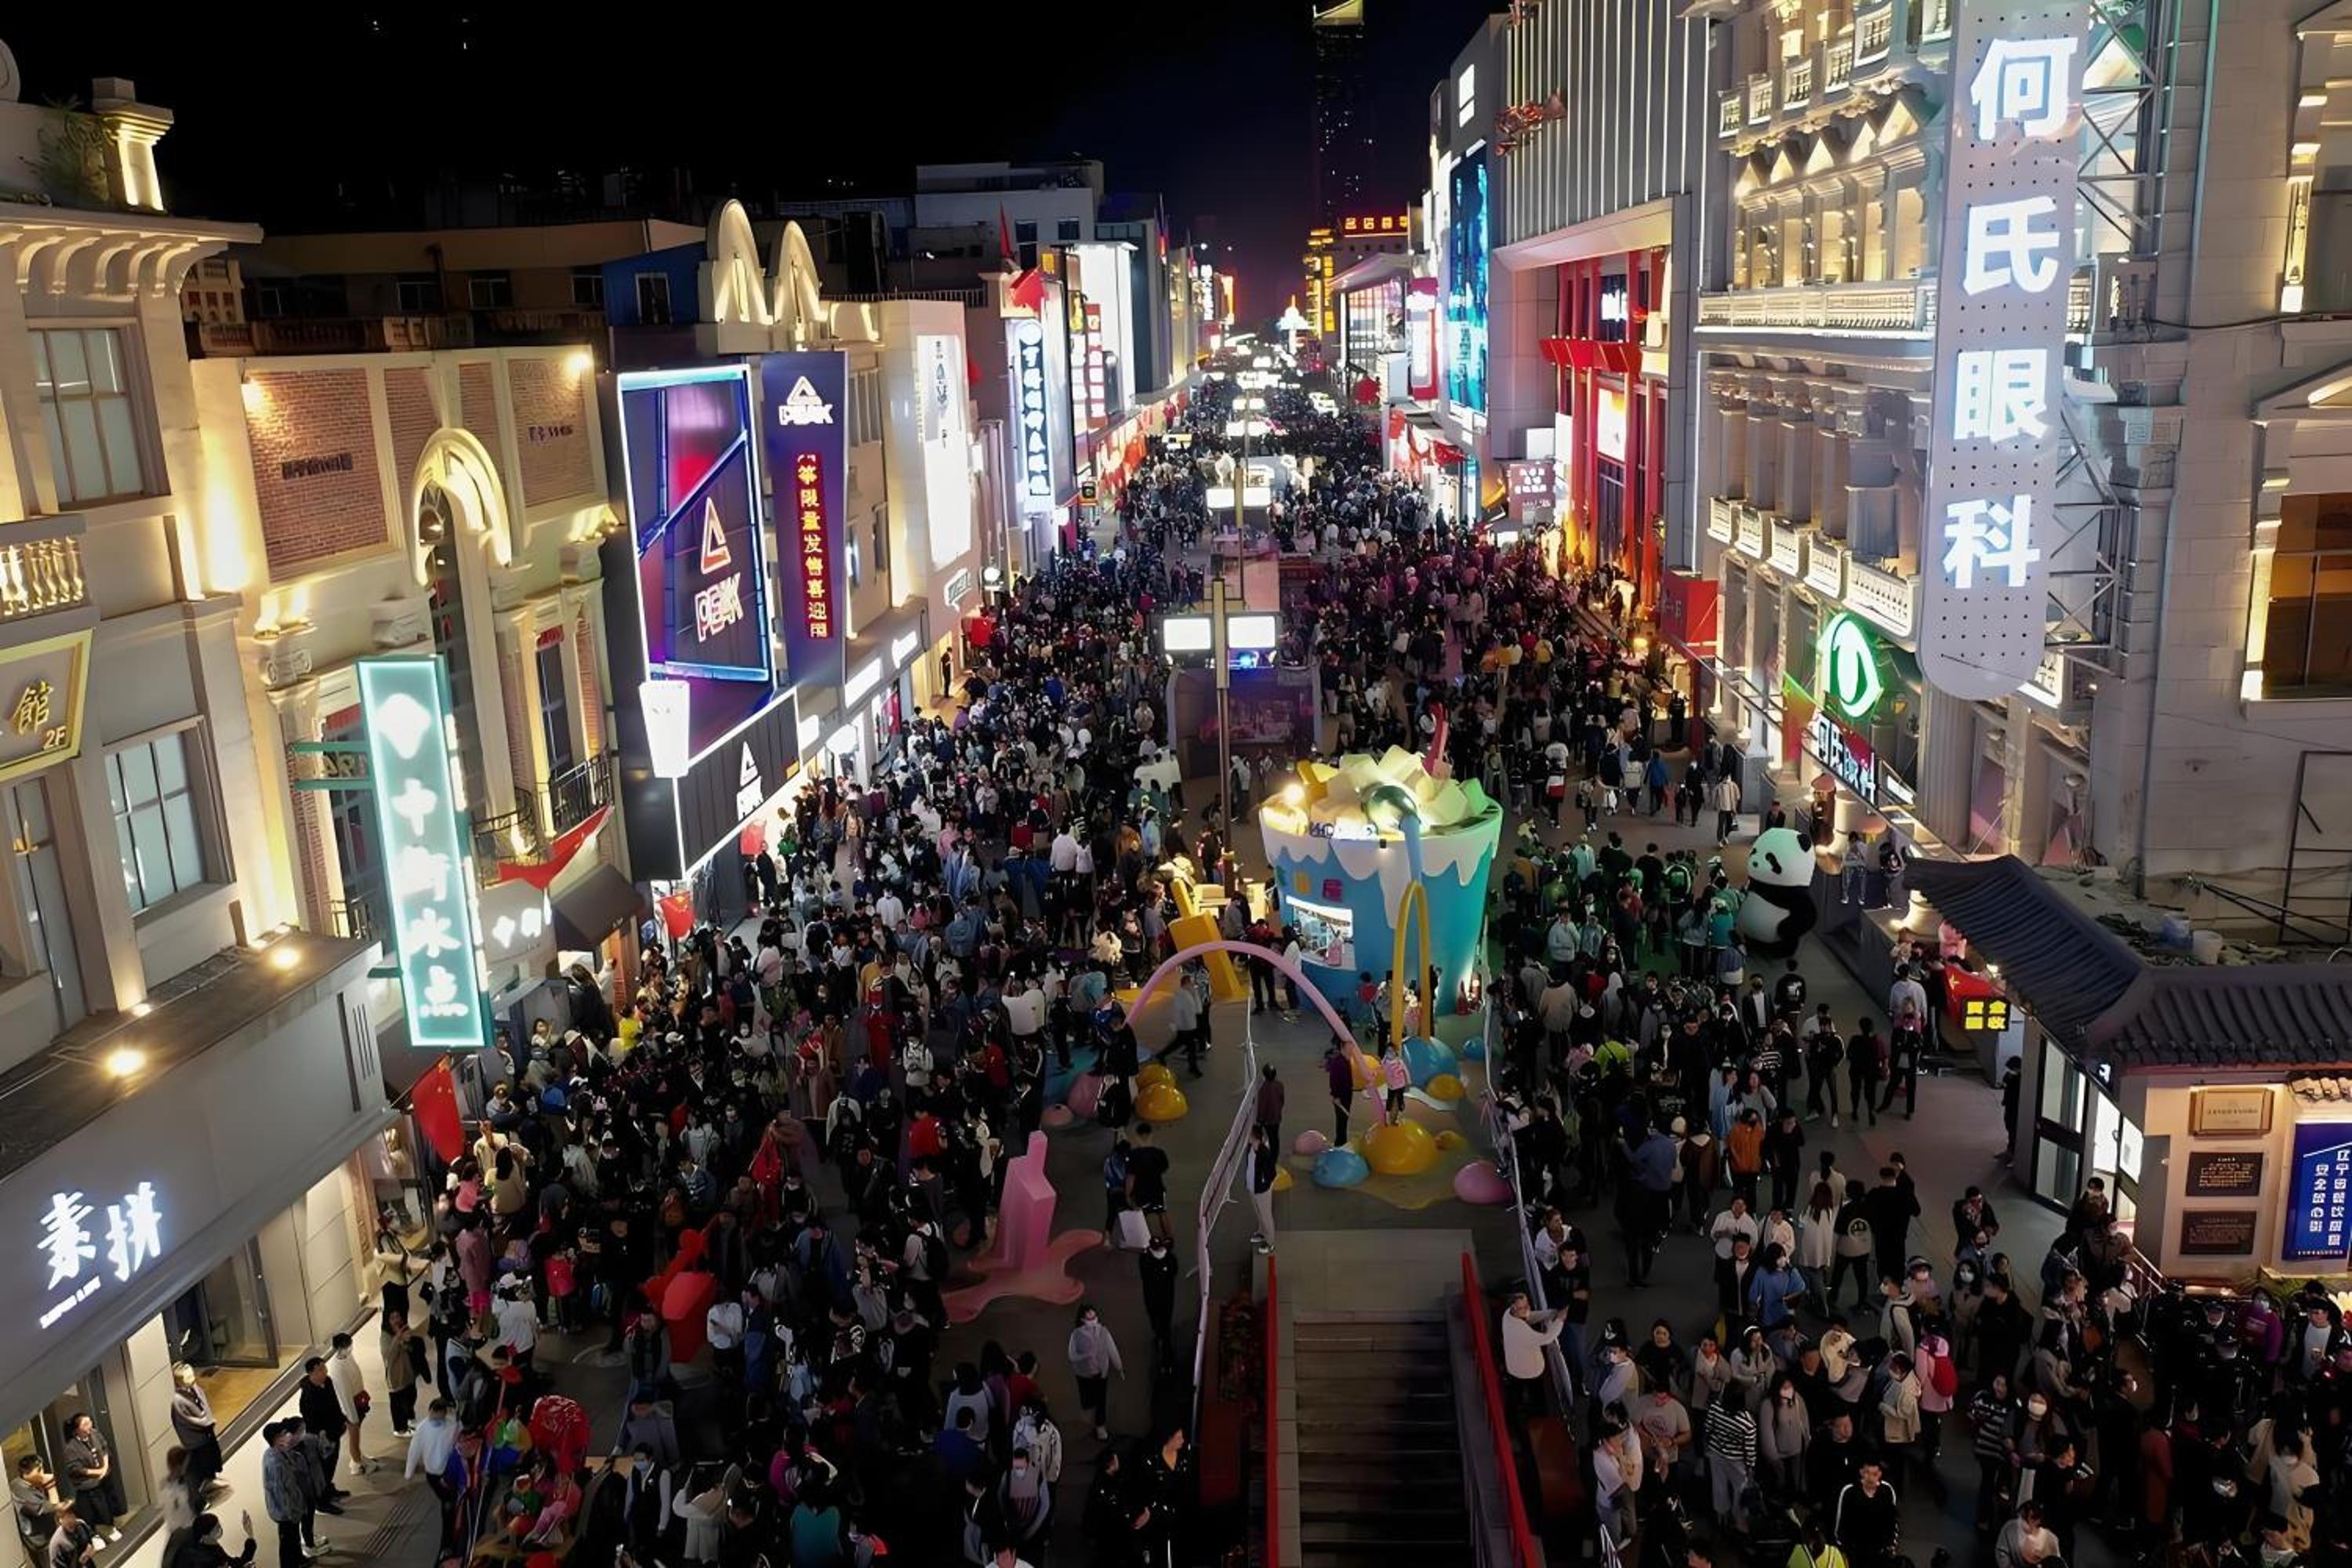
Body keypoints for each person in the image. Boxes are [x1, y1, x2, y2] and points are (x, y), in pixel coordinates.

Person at [58, 1414, 122, 1543]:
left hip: (104, 1479)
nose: (90, 1426)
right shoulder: (71, 1448)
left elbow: (104, 1448)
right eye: (86, 1424)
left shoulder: (95, 1433)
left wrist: (104, 1468)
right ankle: (94, 1536)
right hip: (88, 1485)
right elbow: (77, 1469)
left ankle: (110, 1528)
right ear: (77, 1429)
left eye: (90, 1422)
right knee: (93, 1511)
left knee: (108, 1506)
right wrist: (98, 1472)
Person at [1067, 1304, 1123, 1442]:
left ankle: (1100, 1427)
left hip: (1101, 1374)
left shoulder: (1103, 1332)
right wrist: (1085, 1356)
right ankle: (1088, 1422)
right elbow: (1072, 1355)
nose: (1093, 1320)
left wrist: (1119, 1367)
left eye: (1095, 1317)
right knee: (1087, 1402)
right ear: (1082, 1319)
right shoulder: (1076, 1334)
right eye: (1089, 1318)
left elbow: (1112, 1350)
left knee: (1100, 1402)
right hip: (1084, 1375)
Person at [1501, 1292, 1563, 1415]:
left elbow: (1529, 1316)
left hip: (1514, 1366)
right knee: (1536, 1399)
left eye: (1528, 1304)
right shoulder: (1520, 1330)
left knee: (1518, 1393)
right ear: (1514, 1308)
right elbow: (1547, 1338)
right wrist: (1560, 1319)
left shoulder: (1508, 1314)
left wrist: (1549, 1313)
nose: (1528, 1308)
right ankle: (1538, 1415)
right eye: (1523, 1307)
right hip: (1528, 1371)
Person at [171, 1365, 228, 1497]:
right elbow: (188, 1420)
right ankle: (202, 1492)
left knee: (212, 1458)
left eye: (192, 1375)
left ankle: (211, 1483)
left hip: (206, 1434)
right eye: (188, 1377)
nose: (192, 1379)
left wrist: (209, 1420)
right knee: (200, 1466)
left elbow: (205, 1406)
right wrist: (206, 1422)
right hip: (195, 1440)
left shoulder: (196, 1388)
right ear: (179, 1380)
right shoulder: (178, 1400)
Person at [1831, 1458, 1899, 1568]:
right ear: (1861, 1472)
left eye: (1875, 1474)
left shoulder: (1887, 1491)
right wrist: (1844, 1549)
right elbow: (1840, 1524)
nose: (1871, 1478)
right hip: (1855, 1552)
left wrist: (1890, 1545)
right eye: (1867, 1473)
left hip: (1879, 1552)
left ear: (1880, 1474)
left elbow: (1893, 1521)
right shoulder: (1849, 1492)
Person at [260, 1425, 307, 1568]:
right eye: (283, 1434)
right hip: (285, 1512)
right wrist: (290, 1512)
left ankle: (299, 1559)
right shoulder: (274, 1462)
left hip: (292, 1504)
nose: (287, 1436)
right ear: (276, 1438)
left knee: (294, 1537)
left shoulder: (277, 1452)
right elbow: (279, 1492)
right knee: (287, 1543)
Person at [1124, 1122, 1173, 1245]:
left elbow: (1131, 1178)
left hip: (1140, 1192)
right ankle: (1169, 1238)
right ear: (1151, 1135)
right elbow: (1164, 1168)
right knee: (1162, 1212)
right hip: (1157, 1189)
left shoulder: (1132, 1155)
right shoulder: (1159, 1153)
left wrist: (1127, 1195)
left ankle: (1148, 1241)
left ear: (1137, 1137)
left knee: (1142, 1215)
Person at [1244, 1123, 1279, 1254]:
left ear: (1254, 1137)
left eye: (1249, 1134)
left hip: (1261, 1190)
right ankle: (1262, 1232)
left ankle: (1270, 1242)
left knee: (1266, 1215)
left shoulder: (1264, 1153)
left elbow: (1272, 1174)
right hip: (1252, 1187)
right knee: (1258, 1212)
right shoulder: (1250, 1148)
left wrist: (1264, 1185)